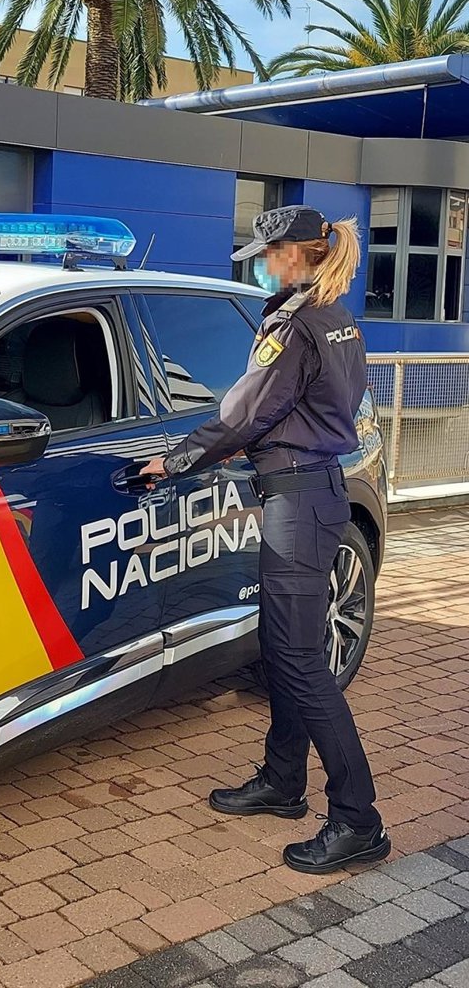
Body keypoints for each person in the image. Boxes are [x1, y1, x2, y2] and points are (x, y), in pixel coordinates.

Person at [140, 205, 389, 874]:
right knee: (284, 650)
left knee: (301, 661)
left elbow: (243, 412)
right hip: (313, 491)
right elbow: (305, 408)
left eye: (267, 255)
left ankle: (357, 818)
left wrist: (176, 459)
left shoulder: (296, 324)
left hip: (299, 501)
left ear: (295, 254)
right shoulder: (335, 317)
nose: (261, 265)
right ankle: (283, 780)